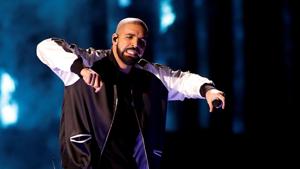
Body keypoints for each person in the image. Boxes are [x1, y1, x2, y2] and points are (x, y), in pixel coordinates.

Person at [36, 17, 225, 169]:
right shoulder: (88, 62)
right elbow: (45, 47)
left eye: (142, 41)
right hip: (86, 163)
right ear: (115, 39)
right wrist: (81, 69)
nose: (136, 44)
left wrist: (208, 90)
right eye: (130, 37)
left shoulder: (151, 76)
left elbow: (183, 80)